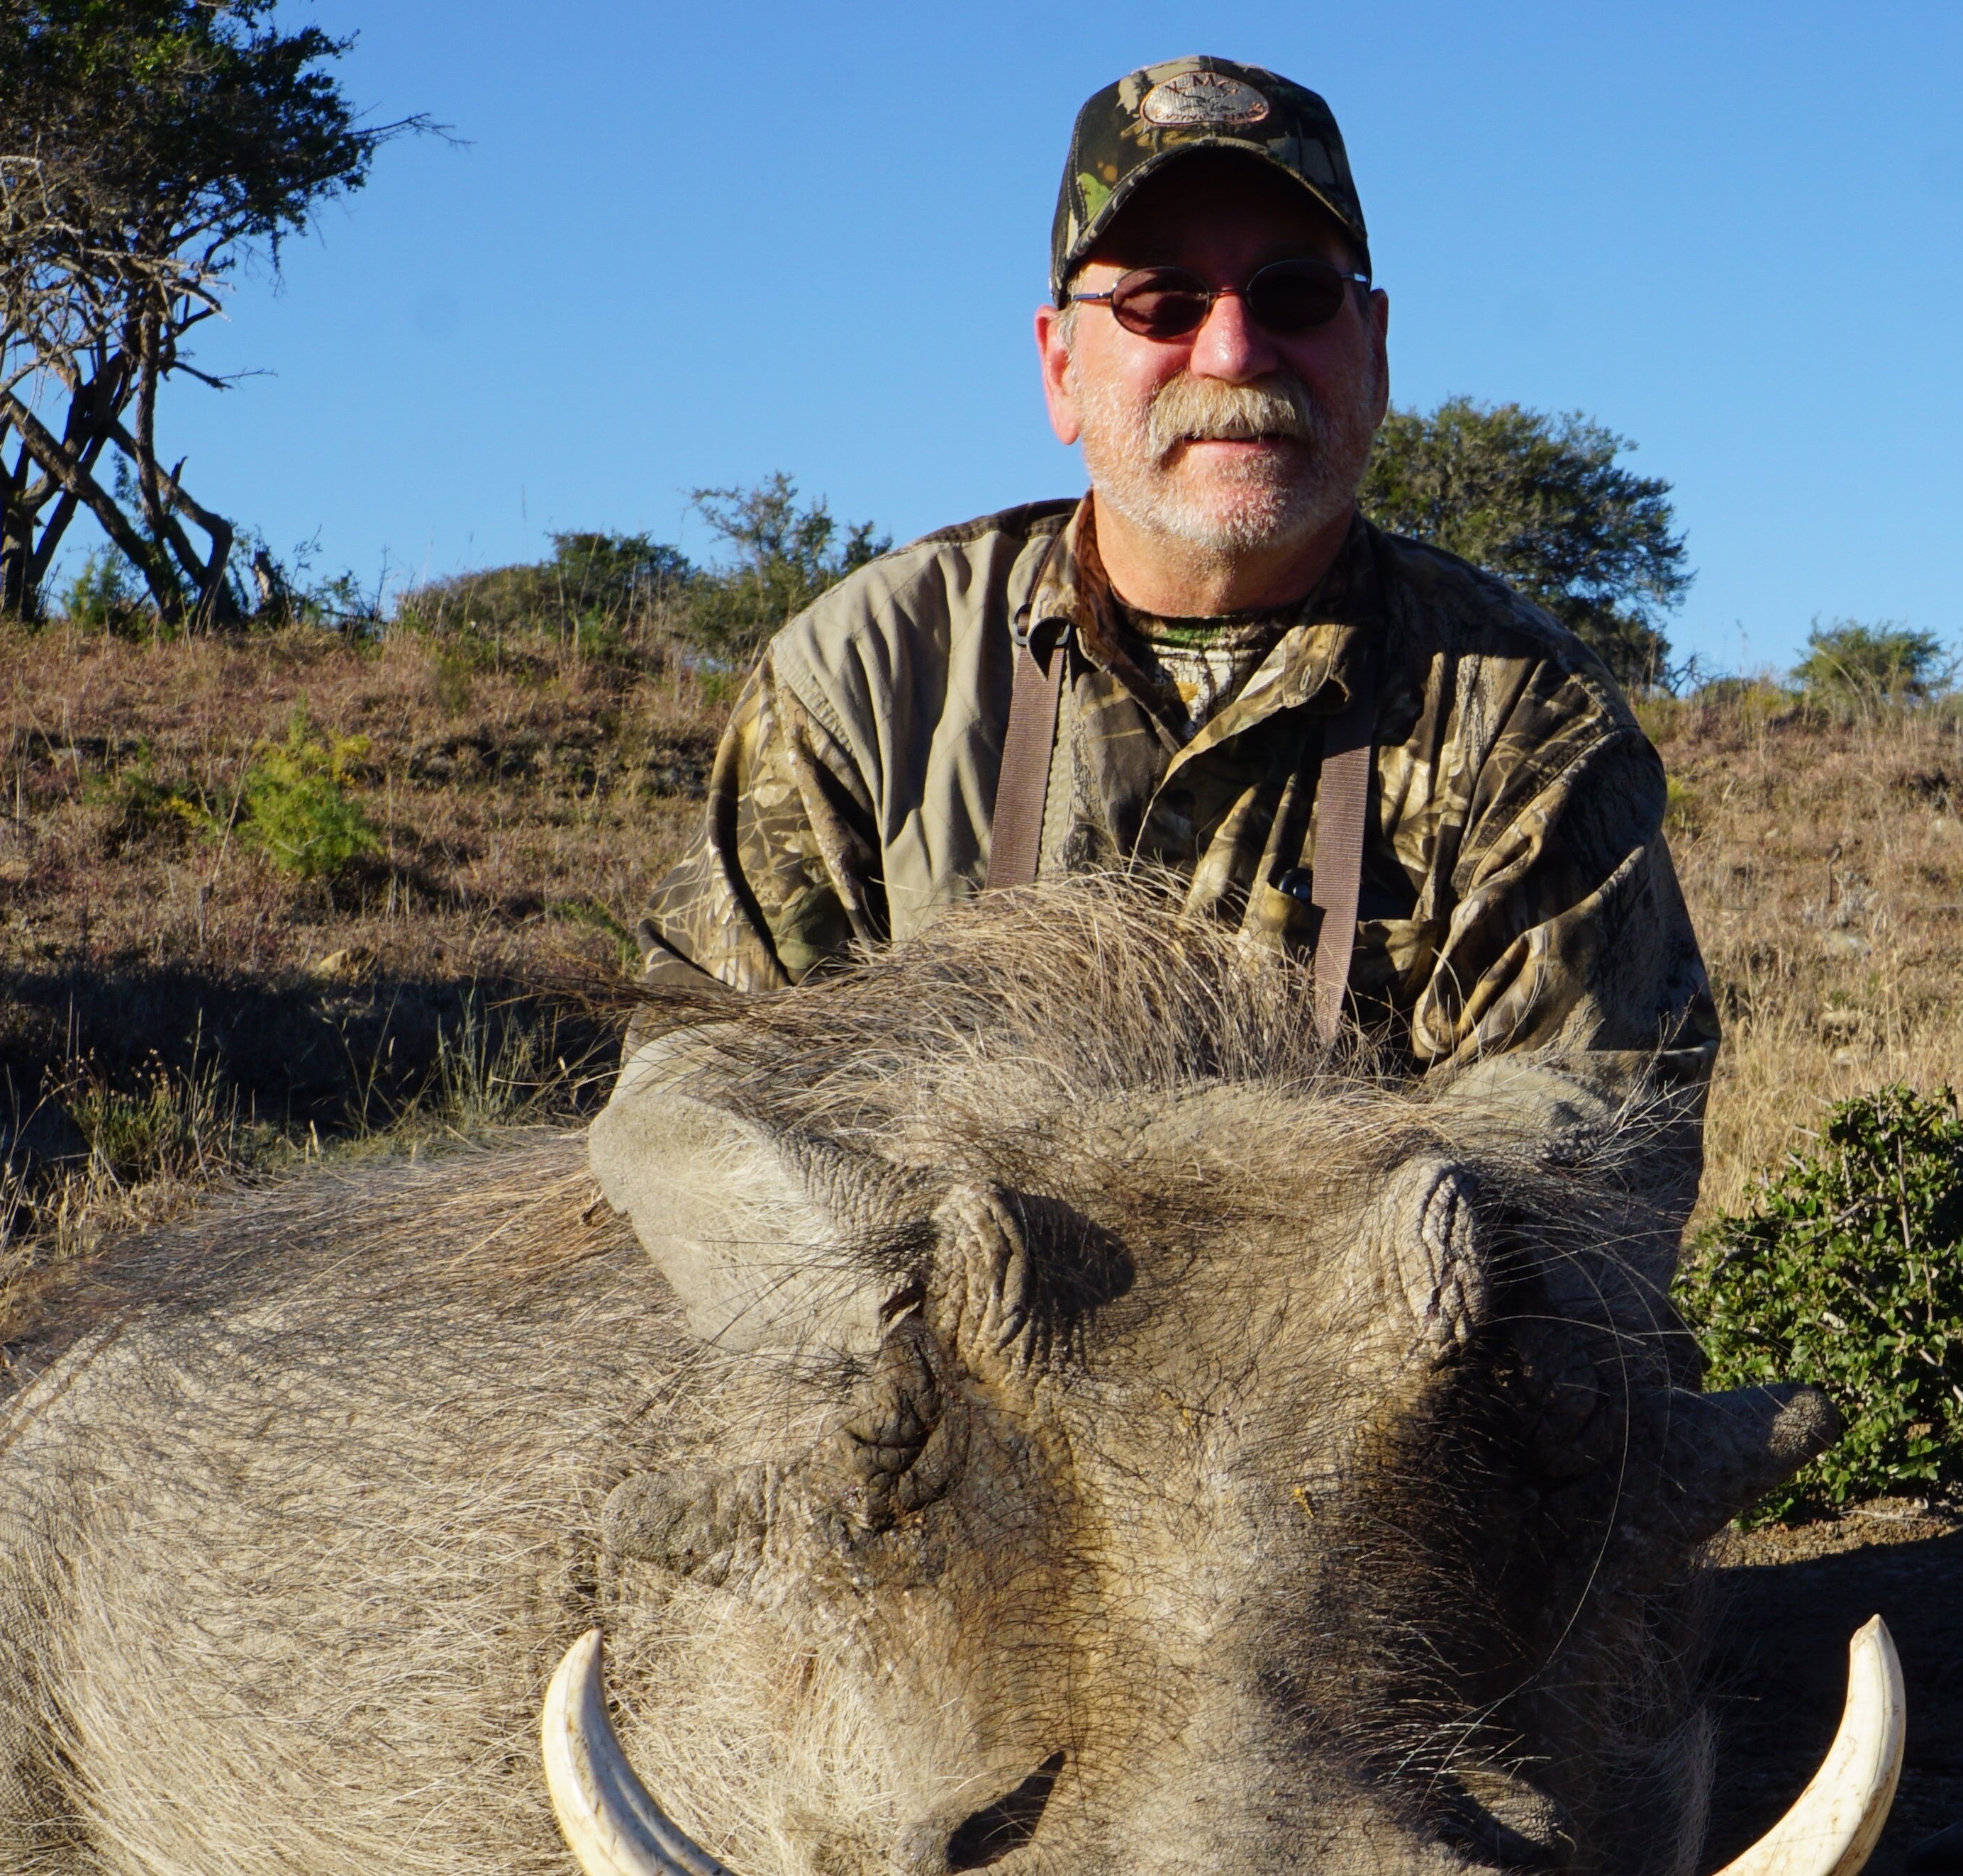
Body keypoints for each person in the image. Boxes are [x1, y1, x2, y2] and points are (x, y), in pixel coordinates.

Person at [637, 55, 1713, 1162]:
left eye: (1295, 293)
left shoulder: (1526, 717)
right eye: (1161, 301)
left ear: (1376, 352)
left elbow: (1580, 1148)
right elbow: (699, 1103)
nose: (1236, 351)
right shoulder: (864, 677)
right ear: (1059, 367)